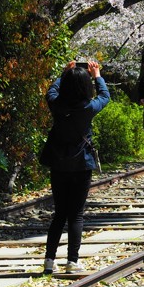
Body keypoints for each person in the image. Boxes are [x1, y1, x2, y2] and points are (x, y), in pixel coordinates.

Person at [41, 61, 110, 274]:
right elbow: (105, 96)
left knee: (59, 213)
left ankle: (49, 260)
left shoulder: (56, 104)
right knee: (76, 214)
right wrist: (97, 75)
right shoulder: (88, 108)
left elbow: (51, 91)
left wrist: (64, 74)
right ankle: (72, 261)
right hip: (81, 165)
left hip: (58, 164)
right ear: (85, 86)